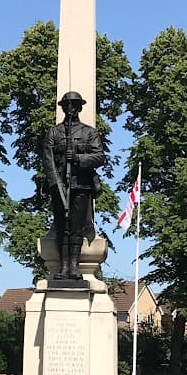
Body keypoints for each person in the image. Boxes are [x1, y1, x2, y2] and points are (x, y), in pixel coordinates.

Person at [42, 90, 104, 279]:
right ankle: (63, 268)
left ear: (79, 108)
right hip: (59, 186)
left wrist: (78, 158)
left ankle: (74, 267)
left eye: (74, 105)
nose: (71, 109)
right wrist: (56, 184)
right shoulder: (53, 133)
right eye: (67, 105)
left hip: (81, 185)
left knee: (76, 227)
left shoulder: (89, 132)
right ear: (63, 108)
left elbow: (99, 156)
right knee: (62, 227)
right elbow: (48, 160)